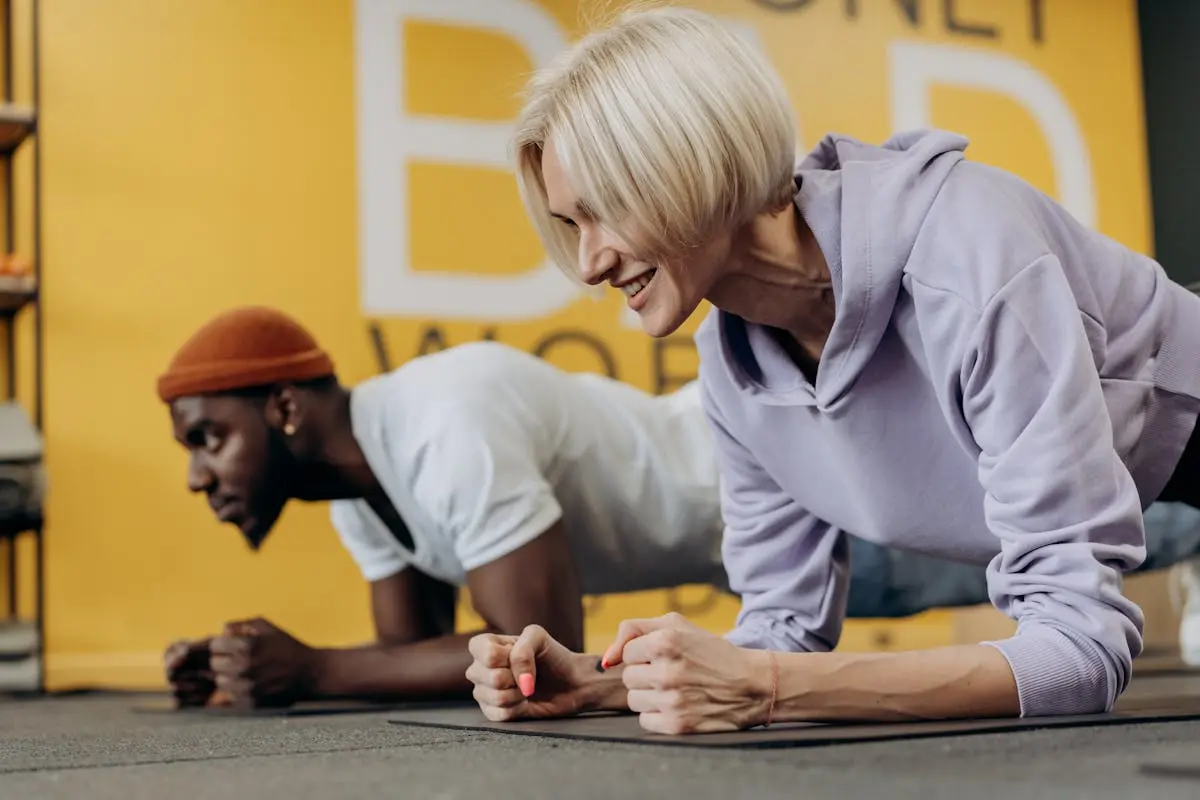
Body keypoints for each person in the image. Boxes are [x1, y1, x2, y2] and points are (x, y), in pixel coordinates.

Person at [464, 5, 1200, 734]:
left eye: (605, 211)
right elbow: (779, 632)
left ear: (690, 158)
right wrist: (605, 684)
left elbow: (1080, 652)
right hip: (1142, 467)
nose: (590, 262)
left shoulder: (966, 255)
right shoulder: (733, 372)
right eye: (571, 224)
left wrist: (766, 687)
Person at [154, 307, 1200, 709]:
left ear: (286, 406)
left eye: (209, 438)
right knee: (1094, 527)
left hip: (808, 503)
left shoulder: (443, 416)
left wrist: (313, 668)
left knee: (1128, 516)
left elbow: (533, 647)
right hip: (749, 553)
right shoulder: (355, 490)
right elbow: (428, 661)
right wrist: (262, 668)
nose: (200, 476)